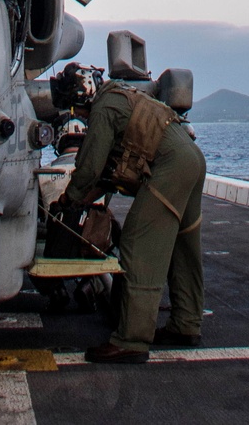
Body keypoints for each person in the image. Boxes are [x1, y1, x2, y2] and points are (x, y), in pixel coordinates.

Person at [50, 63, 206, 364]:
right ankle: (186, 325)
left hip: (171, 167)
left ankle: (131, 341)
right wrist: (81, 197)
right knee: (182, 247)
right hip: (191, 160)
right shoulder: (121, 96)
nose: (78, 116)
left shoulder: (103, 109)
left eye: (75, 108)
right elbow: (108, 172)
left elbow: (91, 167)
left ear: (82, 96)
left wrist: (69, 200)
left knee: (138, 245)